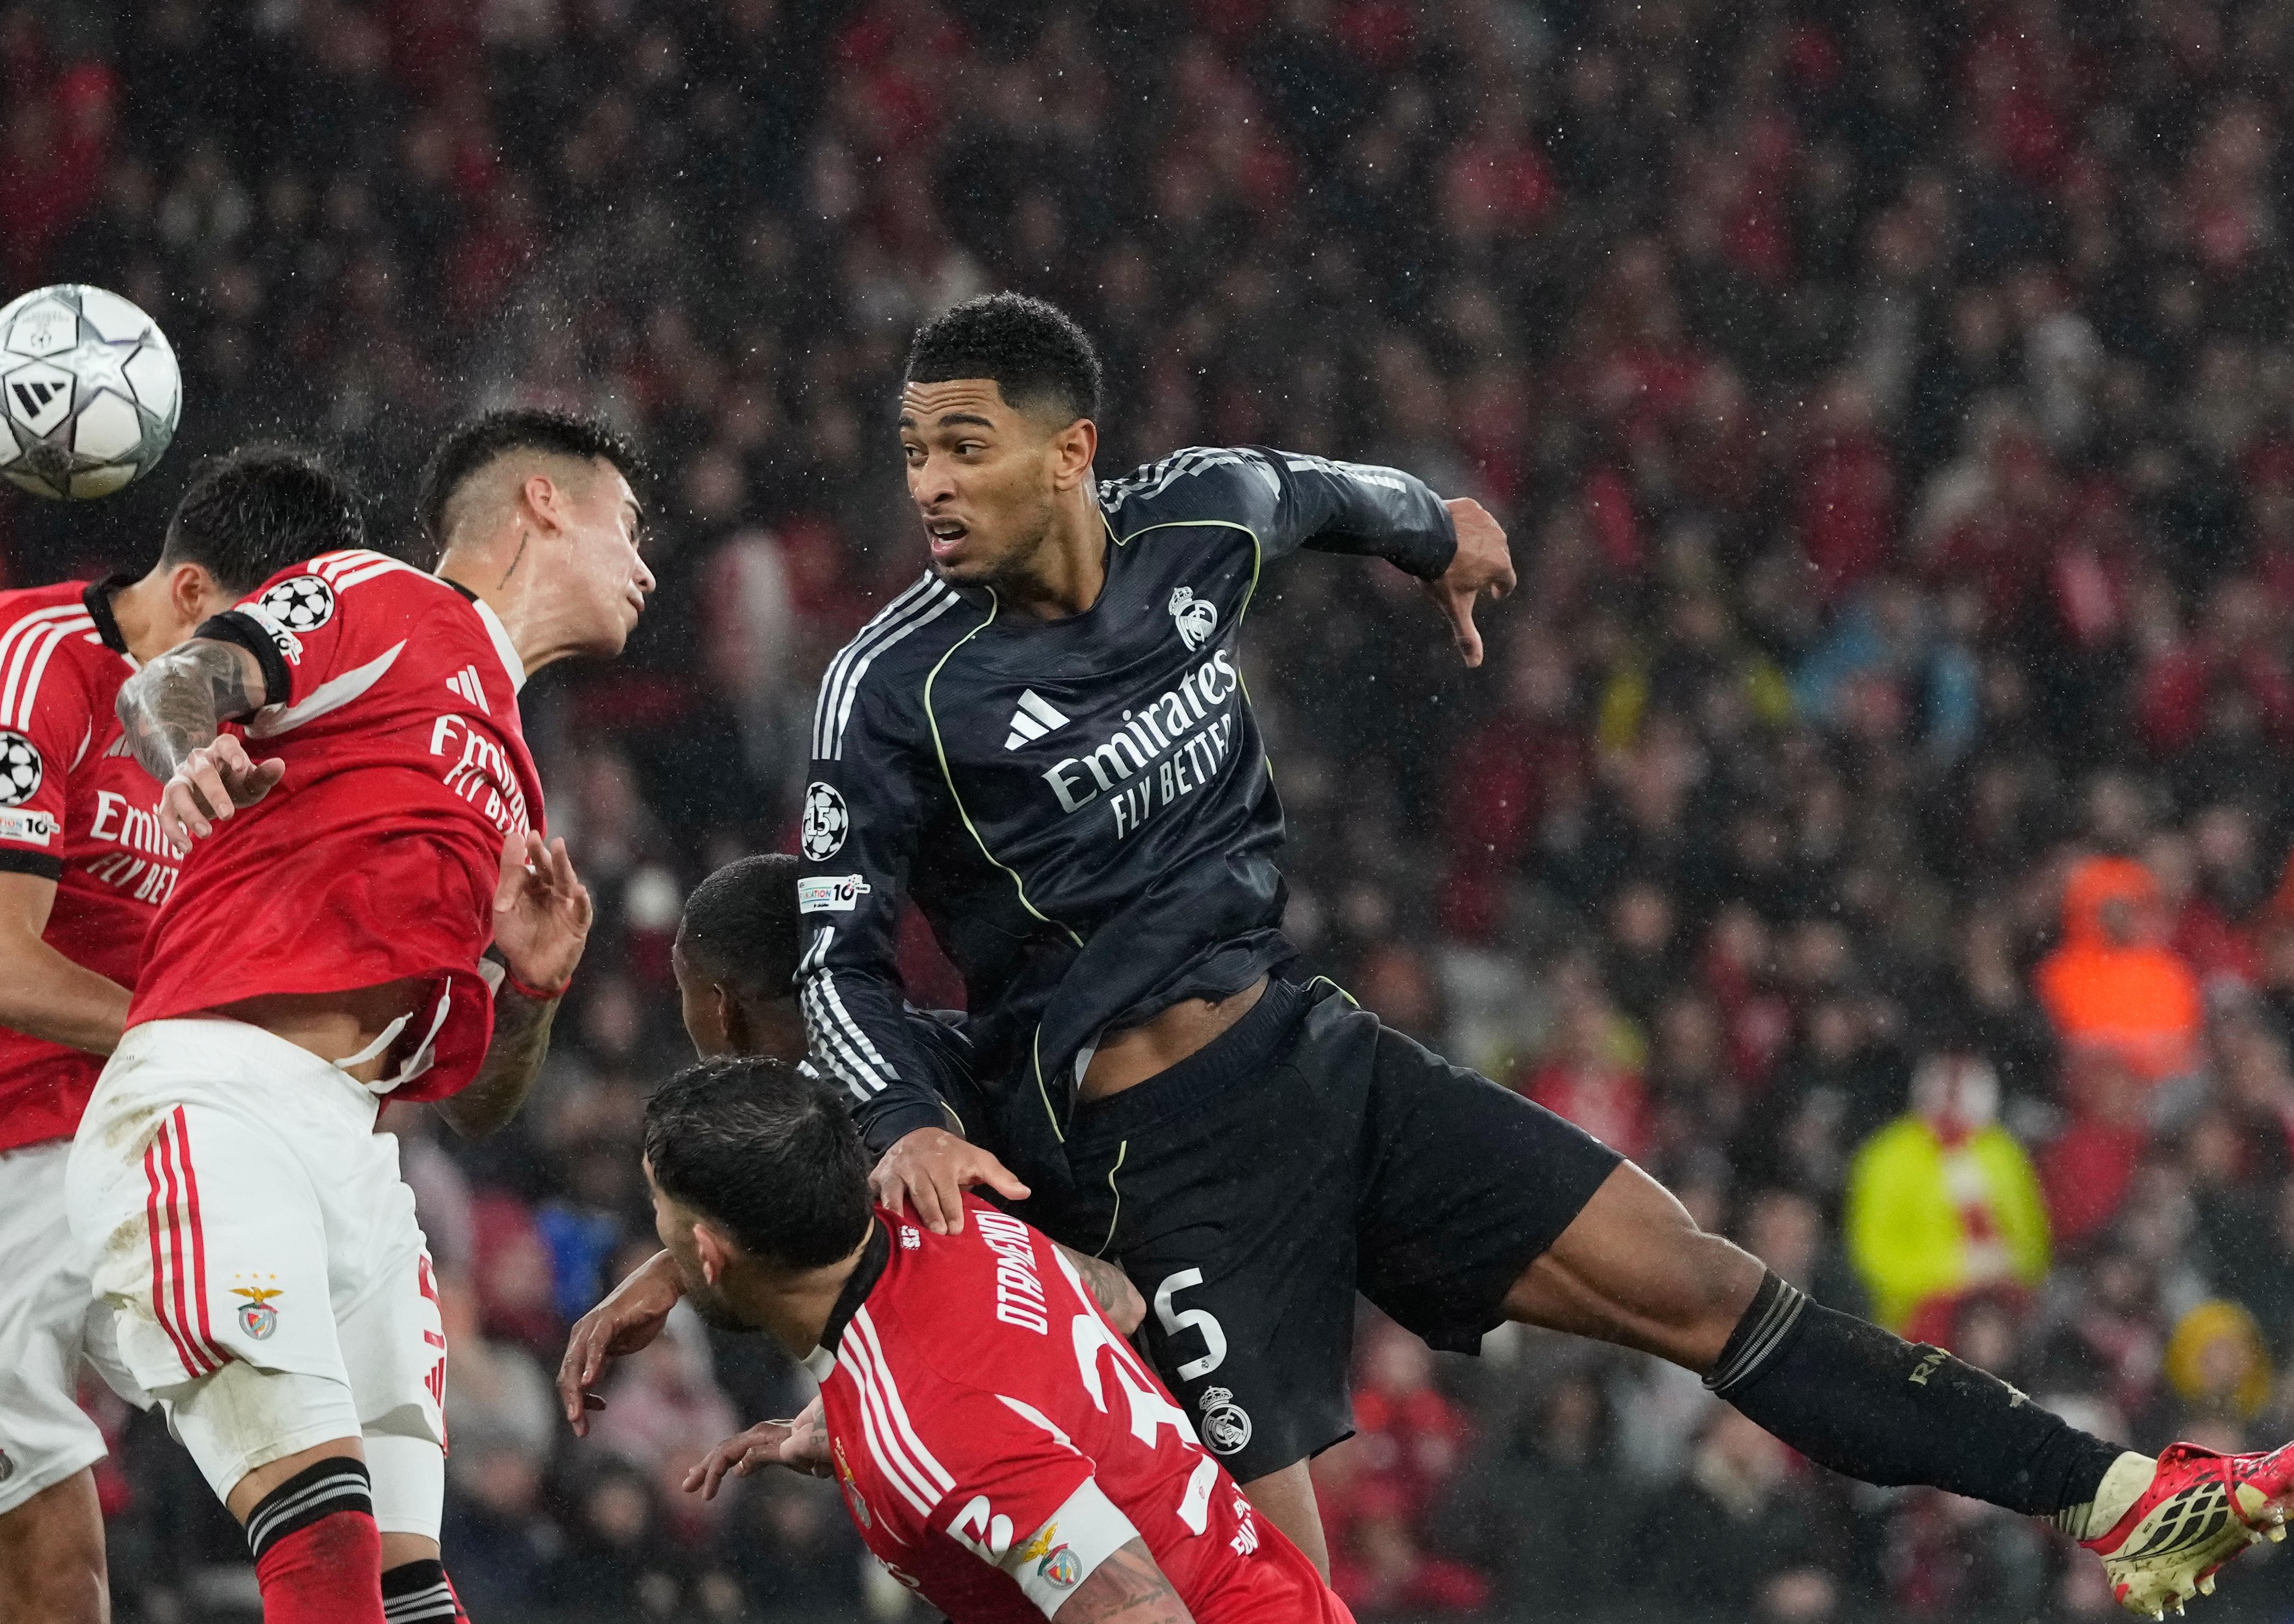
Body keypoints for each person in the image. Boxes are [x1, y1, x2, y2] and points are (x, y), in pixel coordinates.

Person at [790, 291, 2294, 1617]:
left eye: (964, 446)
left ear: (1070, 452)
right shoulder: (894, 687)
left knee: (1699, 1283)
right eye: (915, 451)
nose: (930, 483)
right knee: (1272, 1601)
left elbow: (1327, 492)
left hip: (1314, 1057)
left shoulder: (1194, 515)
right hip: (1153, 1166)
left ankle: (2118, 1501)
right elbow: (832, 952)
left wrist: (1440, 532)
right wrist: (902, 1117)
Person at [64, 409, 653, 1624]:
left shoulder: (513, 777)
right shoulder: (383, 597)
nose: (645, 566)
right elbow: (176, 683)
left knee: (412, 1592)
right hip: (221, 1106)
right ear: (544, 502)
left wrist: (532, 988)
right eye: (630, 526)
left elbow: (477, 1105)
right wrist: (189, 757)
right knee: (323, 1548)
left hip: (361, 1162)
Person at [0, 449, 364, 1624]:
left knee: (326, 1442)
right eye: (249, 639)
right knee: (56, 1581)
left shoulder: (246, 734)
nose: (261, 679)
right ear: (191, 592)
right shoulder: (16, 666)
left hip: (125, 1134)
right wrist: (216, 1052)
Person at [646, 1057, 1351, 1623]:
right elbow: (1116, 1299)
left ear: (708, 1251)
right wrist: (861, 1428)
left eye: (657, 1205)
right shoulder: (945, 1214)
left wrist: (919, 1433)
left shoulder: (937, 1427)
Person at [558, 855, 1144, 1441]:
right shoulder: (905, 1046)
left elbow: (1068, 1297)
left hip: (1093, 1413)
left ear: (720, 1006)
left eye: (682, 990)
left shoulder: (861, 1122)